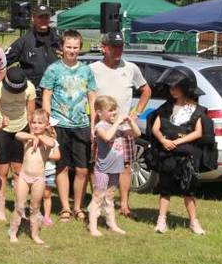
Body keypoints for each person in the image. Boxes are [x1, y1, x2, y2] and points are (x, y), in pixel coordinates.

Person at [88, 31, 151, 218]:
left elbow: (146, 90)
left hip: (124, 129)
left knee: (125, 167)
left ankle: (124, 205)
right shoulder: (92, 68)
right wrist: (93, 125)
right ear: (104, 48)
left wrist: (136, 112)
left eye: (121, 46)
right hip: (102, 128)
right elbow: (91, 100)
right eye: (114, 46)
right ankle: (98, 201)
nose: (118, 50)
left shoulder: (131, 68)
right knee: (99, 166)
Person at [40, 30, 96, 223]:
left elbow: (92, 98)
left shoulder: (86, 70)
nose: (72, 51)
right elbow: (46, 96)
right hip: (60, 124)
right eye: (68, 47)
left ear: (80, 48)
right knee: (62, 167)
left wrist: (93, 124)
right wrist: (49, 122)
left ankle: (78, 207)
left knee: (81, 170)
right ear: (62, 48)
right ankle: (65, 208)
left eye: (75, 47)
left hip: (81, 124)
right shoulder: (53, 70)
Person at [147, 67, 210, 235]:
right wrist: (163, 140)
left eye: (176, 87)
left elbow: (198, 132)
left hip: (186, 158)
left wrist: (178, 141)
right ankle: (161, 221)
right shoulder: (166, 107)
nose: (172, 90)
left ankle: (193, 223)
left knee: (188, 191)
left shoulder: (197, 110)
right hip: (167, 155)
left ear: (186, 88)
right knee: (165, 189)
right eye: (171, 87)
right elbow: (155, 128)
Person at [0, 66, 36, 222]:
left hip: (21, 129)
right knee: (2, 170)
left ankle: (20, 206)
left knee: (18, 170)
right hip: (3, 130)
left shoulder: (29, 88)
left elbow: (31, 113)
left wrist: (32, 134)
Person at [89, 95, 139, 237]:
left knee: (110, 196)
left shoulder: (118, 126)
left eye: (115, 110)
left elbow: (137, 133)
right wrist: (117, 123)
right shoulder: (100, 126)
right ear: (99, 112)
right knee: (98, 196)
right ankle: (93, 226)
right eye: (110, 110)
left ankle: (112, 224)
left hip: (116, 168)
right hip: (102, 169)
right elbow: (107, 137)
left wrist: (130, 121)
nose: (114, 113)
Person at [10, 109, 55, 245]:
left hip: (38, 179)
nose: (36, 125)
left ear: (46, 125)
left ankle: (34, 234)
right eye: (33, 122)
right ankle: (13, 232)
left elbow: (52, 143)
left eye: (40, 123)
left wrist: (40, 137)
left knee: (35, 207)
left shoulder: (48, 140)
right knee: (19, 205)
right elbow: (18, 134)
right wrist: (33, 137)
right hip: (24, 177)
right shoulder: (28, 138)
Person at [5, 4, 61, 97]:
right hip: (32, 95)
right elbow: (2, 61)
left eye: (46, 17)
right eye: (40, 17)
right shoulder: (24, 41)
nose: (44, 20)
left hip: (55, 94)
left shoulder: (58, 41)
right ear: (33, 18)